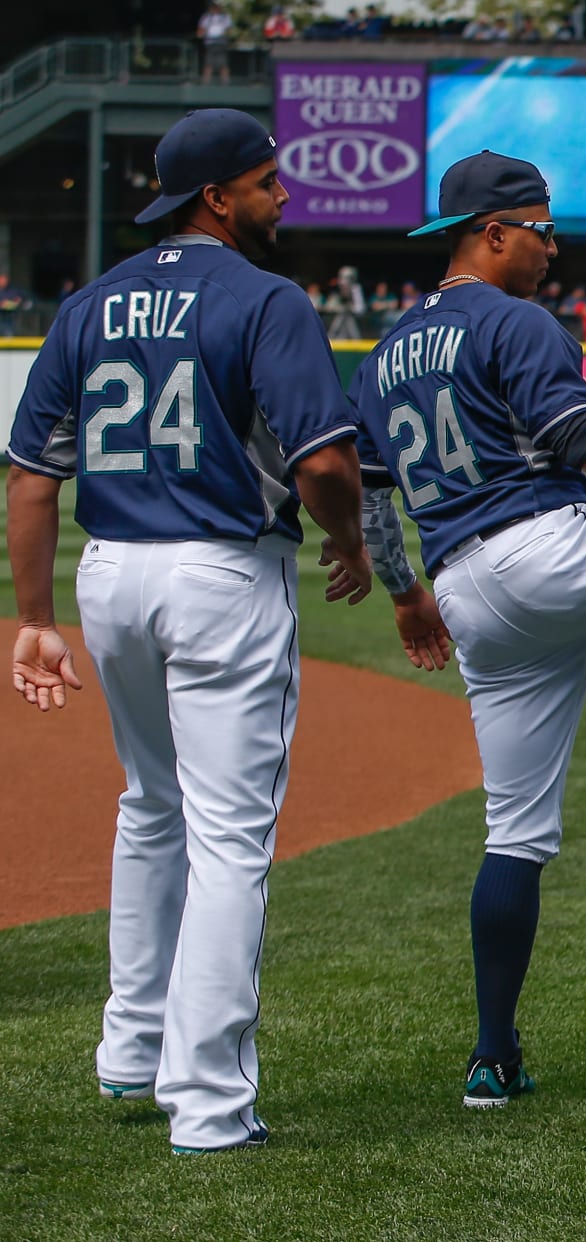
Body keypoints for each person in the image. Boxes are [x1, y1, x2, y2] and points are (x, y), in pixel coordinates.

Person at [5, 108, 372, 1153]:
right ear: (219, 196)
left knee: (149, 805)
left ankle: (131, 1051)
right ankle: (209, 1102)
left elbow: (33, 479)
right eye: (267, 181)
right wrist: (347, 541)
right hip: (220, 568)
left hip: (111, 576)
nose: (282, 195)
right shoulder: (266, 300)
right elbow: (324, 465)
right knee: (226, 836)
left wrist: (35, 621)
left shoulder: (89, 303)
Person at [338, 152, 586, 1109]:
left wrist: (403, 595)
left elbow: (372, 500)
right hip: (545, 550)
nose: (553, 248)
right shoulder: (516, 320)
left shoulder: (386, 351)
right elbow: (584, 445)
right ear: (495, 232)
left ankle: (491, 1055)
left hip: (468, 590)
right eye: (542, 229)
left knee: (514, 832)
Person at [197, 2, 232, 84]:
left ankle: (225, 82)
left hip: (221, 43)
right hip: (210, 43)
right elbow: (200, 31)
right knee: (208, 64)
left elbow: (229, 30)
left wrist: (226, 36)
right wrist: (201, 34)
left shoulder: (225, 17)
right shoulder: (206, 17)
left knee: (223, 64)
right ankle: (206, 82)